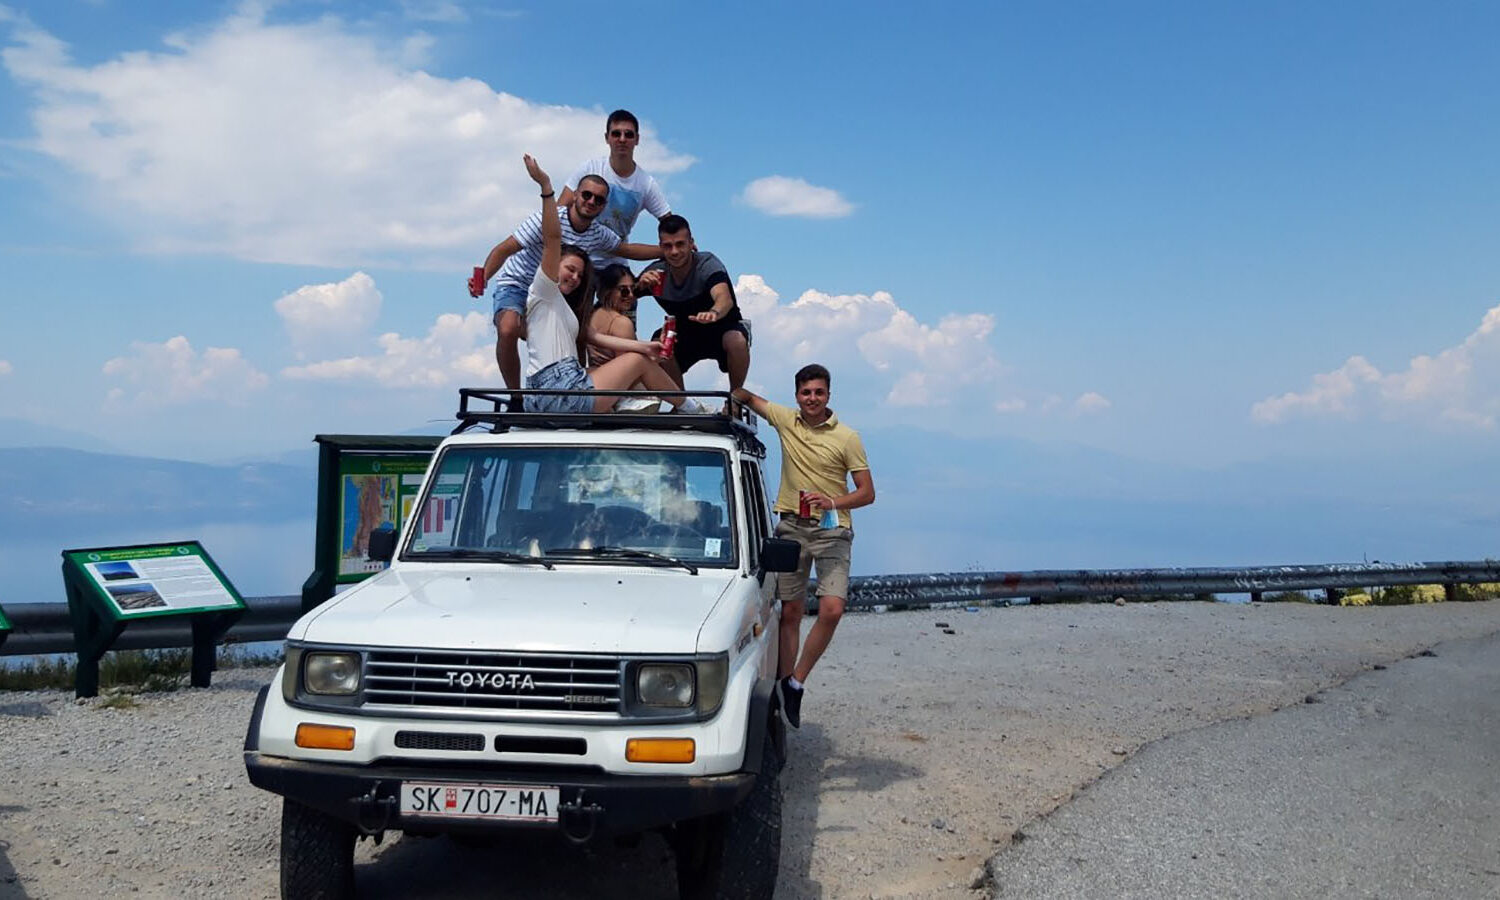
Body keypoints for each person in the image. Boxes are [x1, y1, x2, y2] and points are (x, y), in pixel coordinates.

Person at [732, 365, 874, 728]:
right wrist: (728, 408)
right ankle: (781, 691)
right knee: (791, 612)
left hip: (831, 530)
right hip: (792, 526)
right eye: (806, 392)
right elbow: (747, 395)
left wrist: (832, 501)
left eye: (819, 393)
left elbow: (866, 493)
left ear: (829, 395)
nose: (812, 399)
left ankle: (796, 681)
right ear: (797, 395)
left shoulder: (847, 437)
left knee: (831, 609)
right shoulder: (786, 420)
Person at [517, 154, 707, 416]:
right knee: (637, 363)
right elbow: (552, 238)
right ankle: (692, 410)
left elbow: (595, 338)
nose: (574, 277)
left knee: (635, 359)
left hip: (539, 395)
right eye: (570, 269)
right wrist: (546, 188)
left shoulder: (563, 309)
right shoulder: (543, 289)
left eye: (580, 275)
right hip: (560, 390)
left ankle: (631, 399)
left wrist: (645, 347)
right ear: (553, 266)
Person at [470, 174, 662, 391]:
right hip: (520, 282)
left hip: (557, 292)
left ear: (603, 206)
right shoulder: (548, 220)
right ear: (575, 196)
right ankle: (515, 395)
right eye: (587, 195)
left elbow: (626, 249)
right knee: (507, 328)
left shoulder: (597, 233)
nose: (591, 202)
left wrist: (666, 251)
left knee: (578, 334)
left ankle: (577, 390)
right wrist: (484, 278)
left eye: (598, 200)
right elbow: (504, 249)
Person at [635, 215, 751, 392]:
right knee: (660, 341)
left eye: (680, 244)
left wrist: (714, 312)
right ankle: (681, 404)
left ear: (691, 243)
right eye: (668, 246)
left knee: (736, 340)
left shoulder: (707, 263)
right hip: (684, 333)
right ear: (661, 248)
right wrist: (637, 286)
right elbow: (619, 296)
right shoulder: (656, 273)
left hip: (721, 329)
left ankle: (735, 399)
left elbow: (724, 298)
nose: (674, 252)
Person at [557, 110, 671, 273]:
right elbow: (557, 213)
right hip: (578, 258)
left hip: (615, 262)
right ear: (607, 138)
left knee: (627, 296)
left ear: (637, 139)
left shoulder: (646, 184)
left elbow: (669, 221)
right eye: (616, 134)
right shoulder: (590, 168)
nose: (622, 139)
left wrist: (675, 246)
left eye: (628, 134)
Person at [587, 265, 638, 369]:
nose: (631, 295)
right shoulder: (621, 323)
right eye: (624, 291)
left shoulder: (592, 314)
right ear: (608, 291)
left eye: (633, 289)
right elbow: (627, 369)